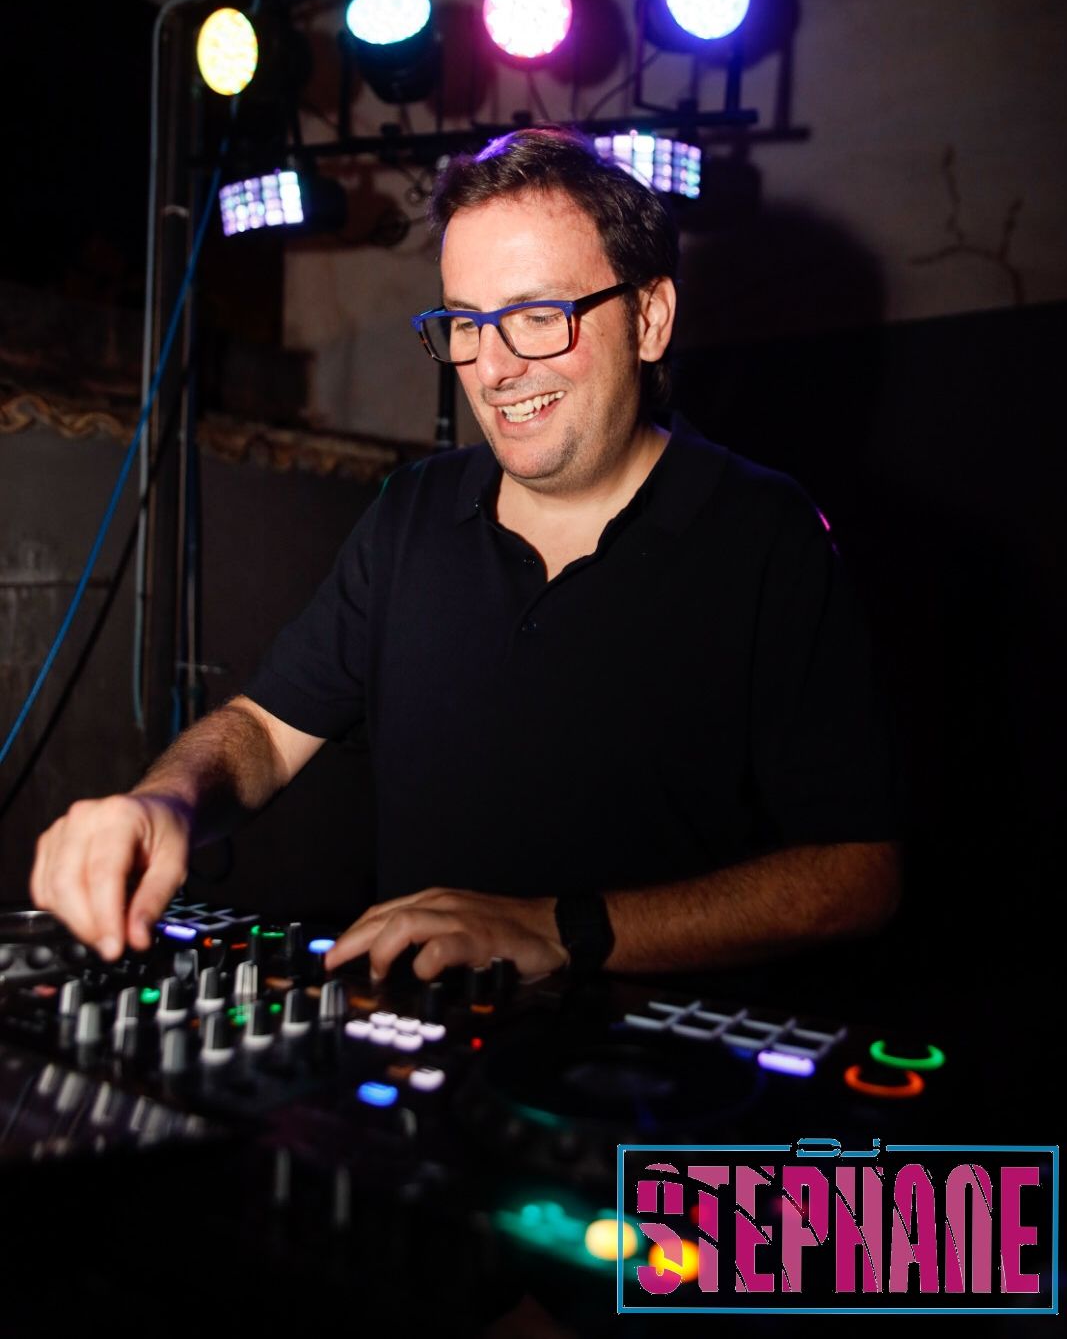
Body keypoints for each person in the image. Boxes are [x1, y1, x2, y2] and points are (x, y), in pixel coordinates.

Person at [30, 127, 901, 983]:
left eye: (536, 316)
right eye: (465, 323)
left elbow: (858, 874)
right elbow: (262, 731)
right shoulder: (411, 511)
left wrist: (561, 930)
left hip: (649, 1090)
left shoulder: (764, 532)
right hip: (420, 1067)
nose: (492, 367)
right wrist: (163, 803)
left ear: (650, 317)